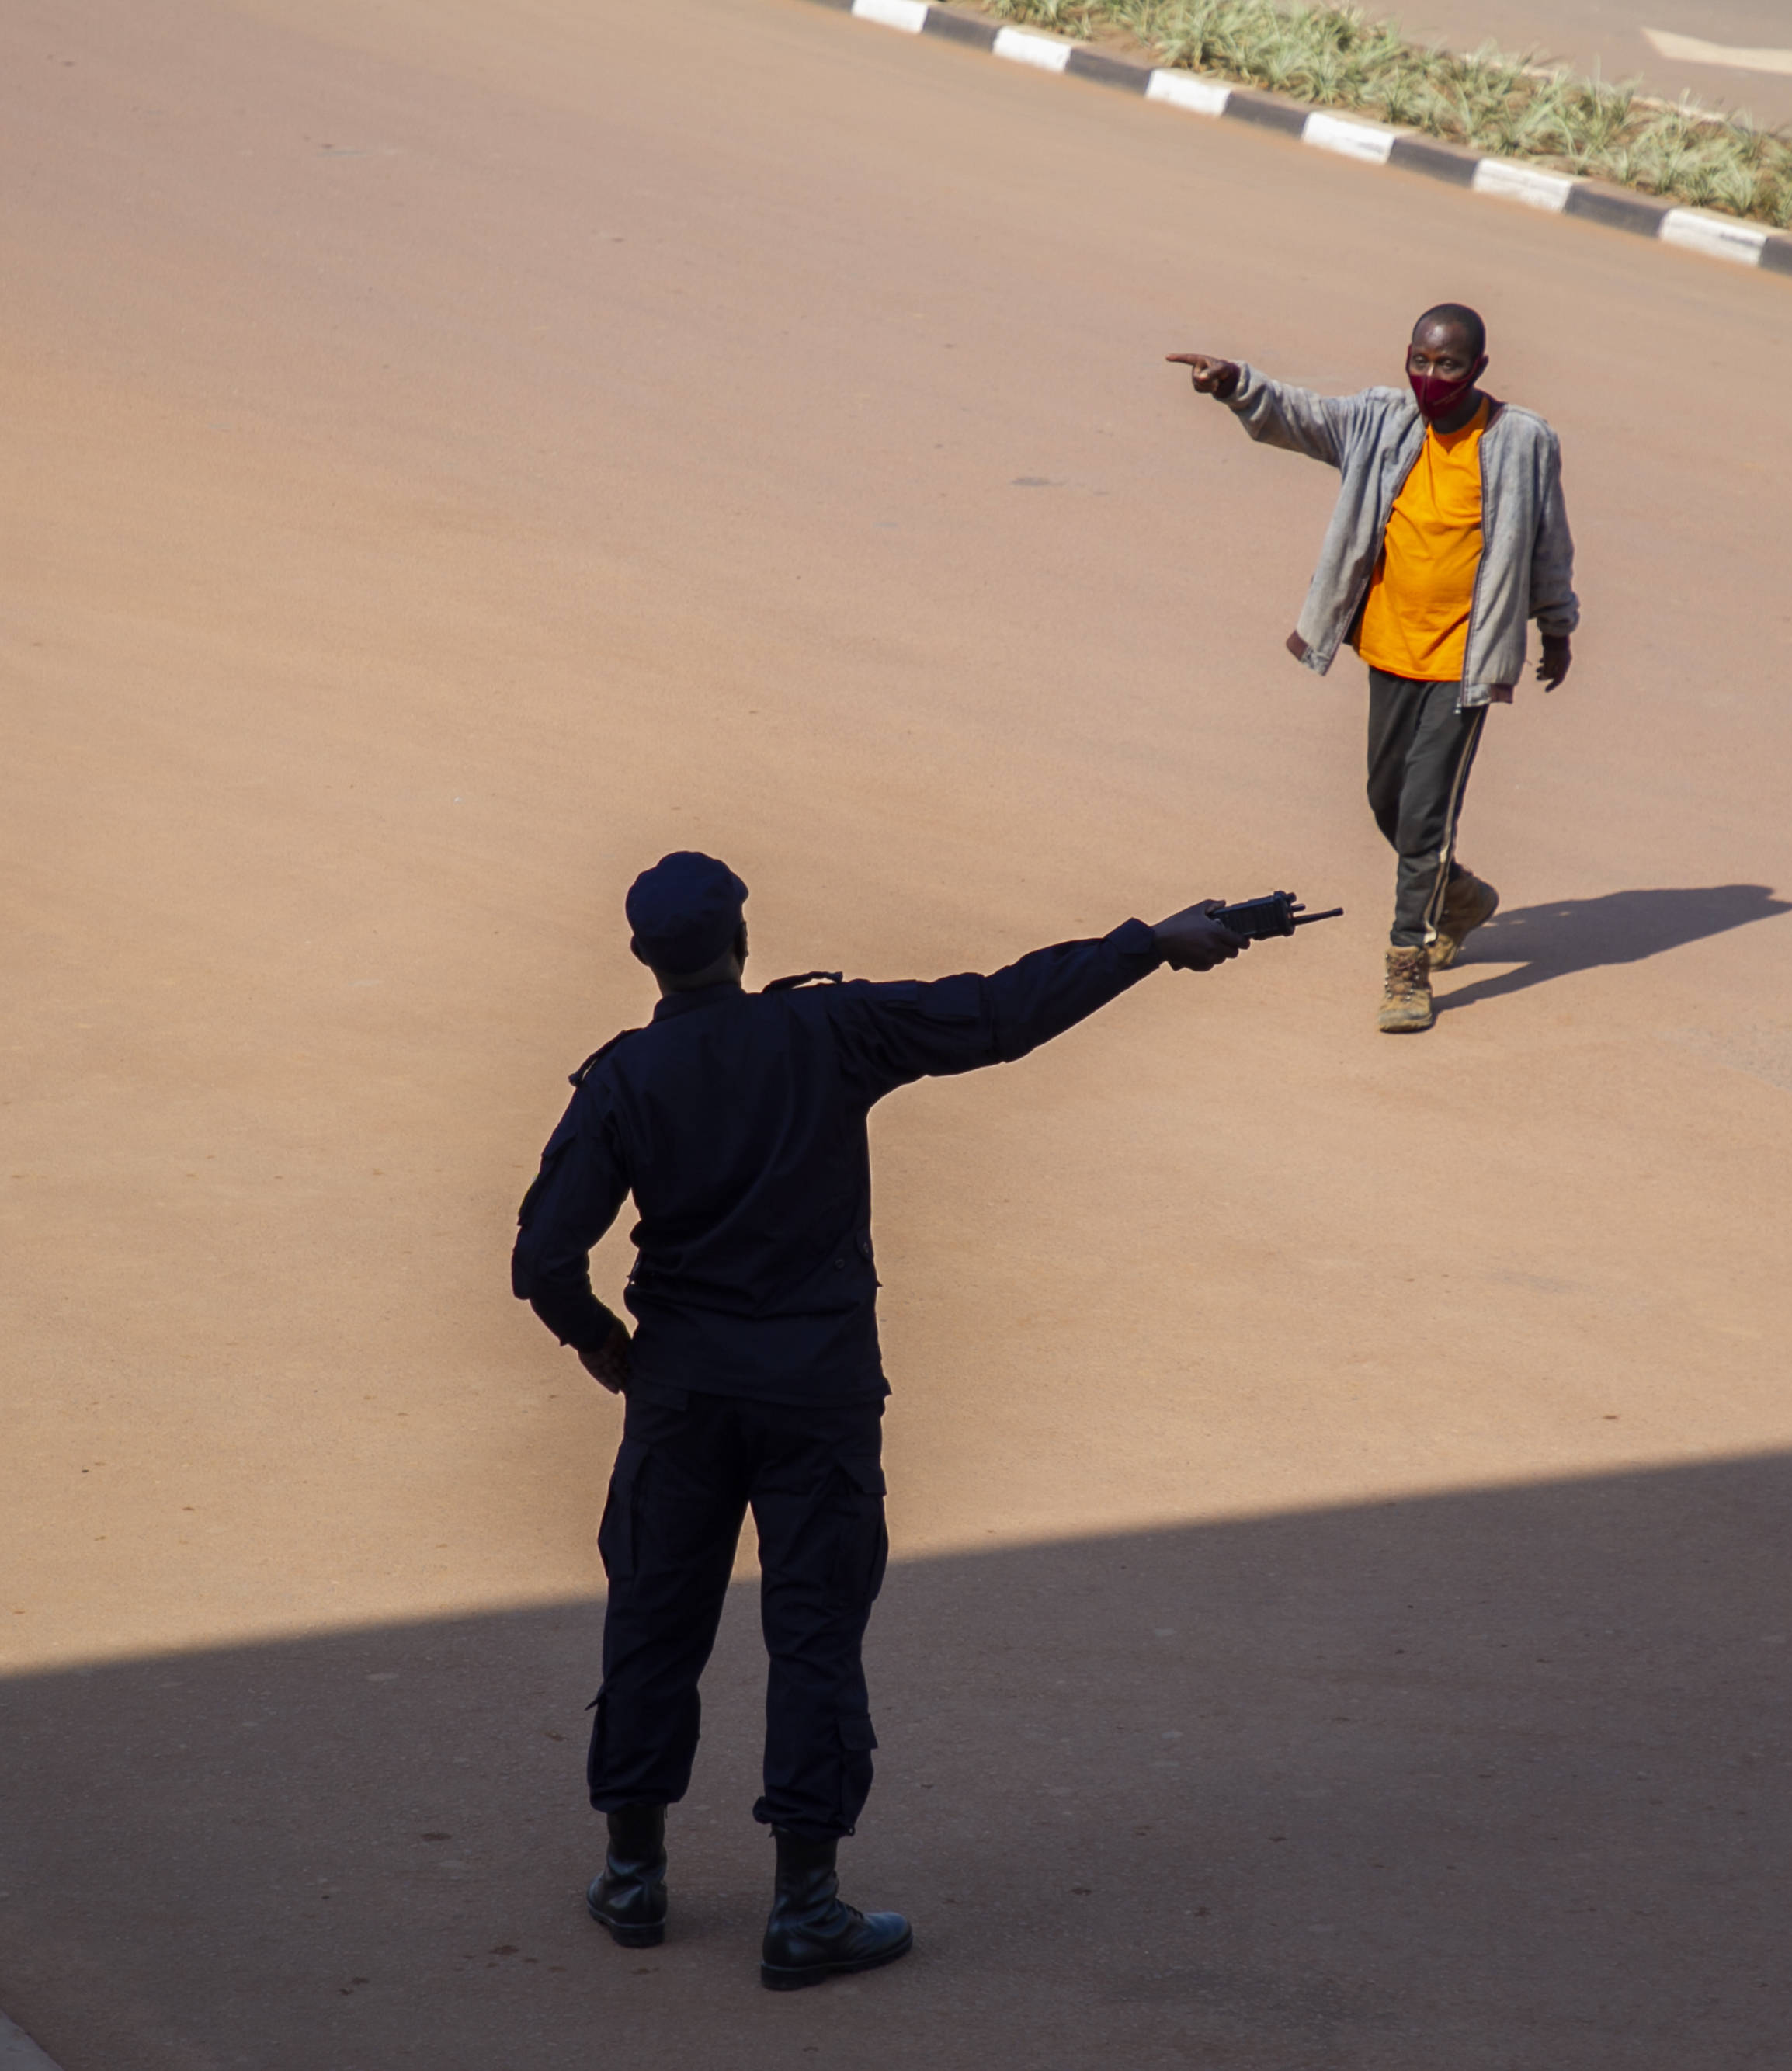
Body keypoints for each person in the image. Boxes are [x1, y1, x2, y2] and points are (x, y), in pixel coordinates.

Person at [510, 852, 1251, 1989]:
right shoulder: (828, 1030)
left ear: (642, 956)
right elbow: (998, 1013)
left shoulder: (623, 1079)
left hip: (683, 1397)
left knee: (654, 1622)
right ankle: (804, 1907)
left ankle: (633, 1876)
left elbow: (545, 1260)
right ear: (743, 939)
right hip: (818, 1391)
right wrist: (1147, 943)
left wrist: (606, 1346)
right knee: (813, 1636)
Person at [1168, 303, 1579, 1034]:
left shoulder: (1520, 440)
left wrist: (1557, 625)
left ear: (1479, 368)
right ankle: (1459, 896)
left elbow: (1548, 541)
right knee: (1386, 798)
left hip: (1463, 661)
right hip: (1388, 648)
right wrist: (1235, 384)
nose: (1431, 376)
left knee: (1424, 815)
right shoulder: (1383, 422)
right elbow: (1302, 417)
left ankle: (1407, 962)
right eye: (1420, 360)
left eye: (1448, 364)